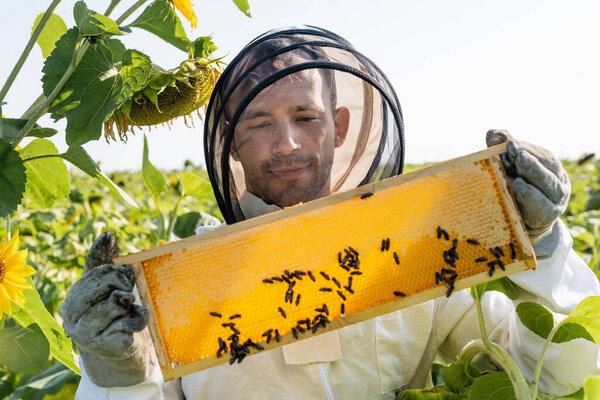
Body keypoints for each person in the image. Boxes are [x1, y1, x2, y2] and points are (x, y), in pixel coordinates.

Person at [62, 26, 600, 399]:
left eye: (305, 116)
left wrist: (544, 248)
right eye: (258, 123)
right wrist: (119, 374)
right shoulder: (175, 287)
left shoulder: (416, 248)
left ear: (339, 126)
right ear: (230, 141)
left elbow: (555, 370)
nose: (287, 144)